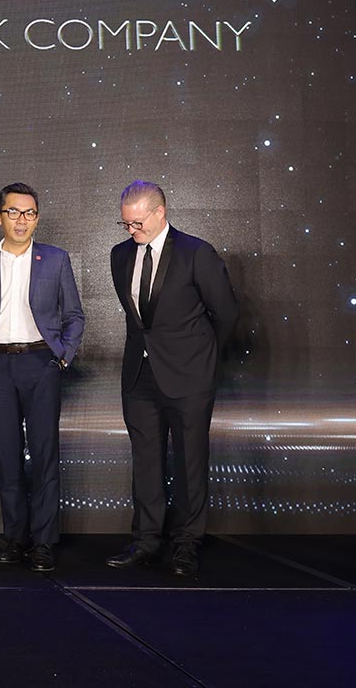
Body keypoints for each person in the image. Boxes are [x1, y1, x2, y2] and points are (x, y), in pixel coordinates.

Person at [105, 180, 237, 578]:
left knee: (190, 463)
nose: (131, 230)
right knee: (145, 463)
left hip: (190, 378)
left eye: (138, 223)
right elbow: (138, 321)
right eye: (126, 224)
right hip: (139, 377)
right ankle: (146, 542)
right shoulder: (119, 255)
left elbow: (226, 313)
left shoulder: (197, 253)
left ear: (160, 212)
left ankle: (186, 545)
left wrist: (202, 361)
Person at [0, 183, 85, 573]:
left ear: (37, 218)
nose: (21, 220)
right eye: (13, 212)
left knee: (45, 454)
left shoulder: (55, 258)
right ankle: (15, 537)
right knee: (8, 456)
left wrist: (62, 356)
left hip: (40, 363)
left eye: (29, 213)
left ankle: (44, 541)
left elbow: (74, 315)